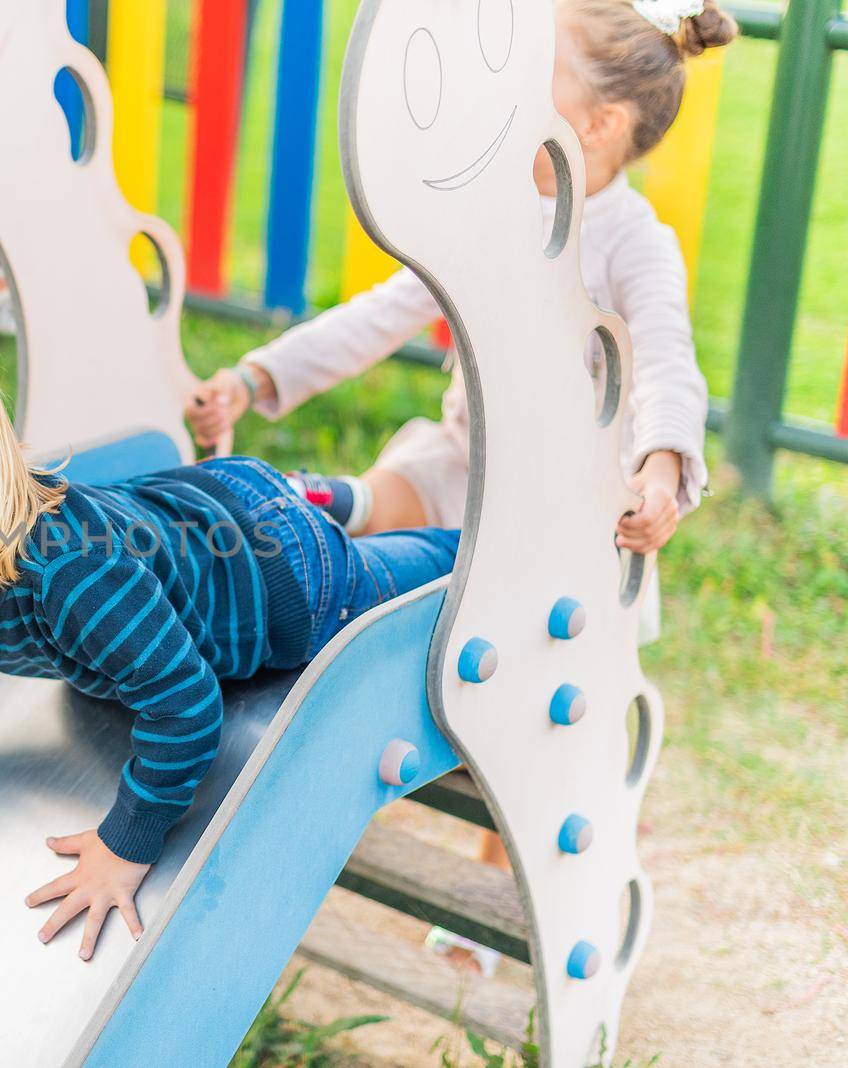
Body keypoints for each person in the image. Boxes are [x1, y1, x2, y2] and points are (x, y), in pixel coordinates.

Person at [186, 0, 733, 974]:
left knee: (540, 730)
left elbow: (666, 366)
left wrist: (660, 464)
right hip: (465, 469)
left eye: (528, 80)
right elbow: (380, 313)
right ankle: (328, 511)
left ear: (597, 126)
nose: (498, 98)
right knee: (405, 485)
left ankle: (500, 898)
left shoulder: (629, 243)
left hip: (564, 516)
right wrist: (256, 377)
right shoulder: (494, 211)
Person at [0, 327, 461, 971]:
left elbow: (185, 705)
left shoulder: (73, 575)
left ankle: (477, 541)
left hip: (286, 580)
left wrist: (127, 842)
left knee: (419, 572)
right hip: (200, 506)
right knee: (260, 506)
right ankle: (318, 494)